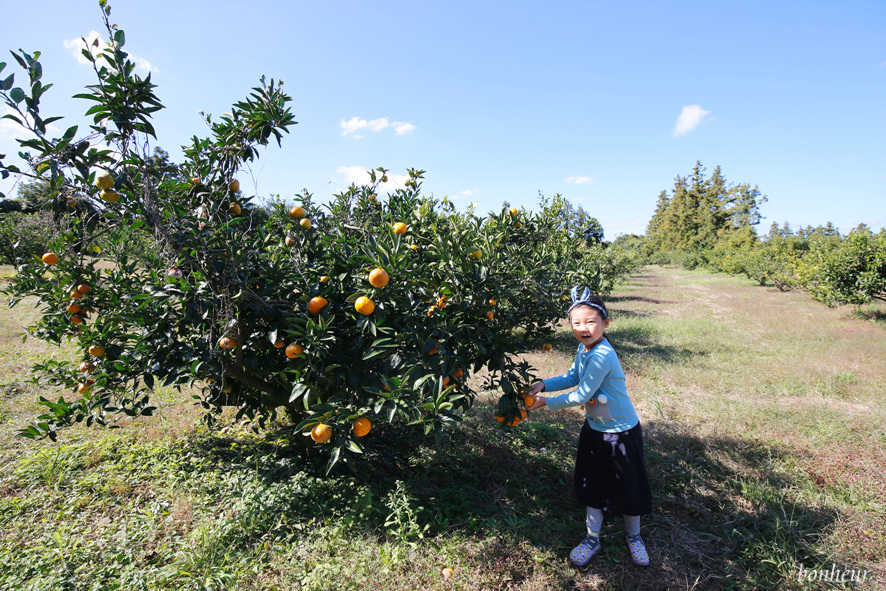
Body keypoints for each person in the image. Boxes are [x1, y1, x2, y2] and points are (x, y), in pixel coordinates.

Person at [526, 286, 652, 569]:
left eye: (591, 321)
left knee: (628, 485)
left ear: (605, 323)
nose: (584, 328)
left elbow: (582, 394)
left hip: (620, 433)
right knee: (593, 483)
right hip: (595, 429)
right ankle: (592, 538)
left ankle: (634, 537)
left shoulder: (601, 355)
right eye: (577, 323)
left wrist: (546, 402)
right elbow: (573, 376)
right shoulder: (584, 350)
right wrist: (544, 383)